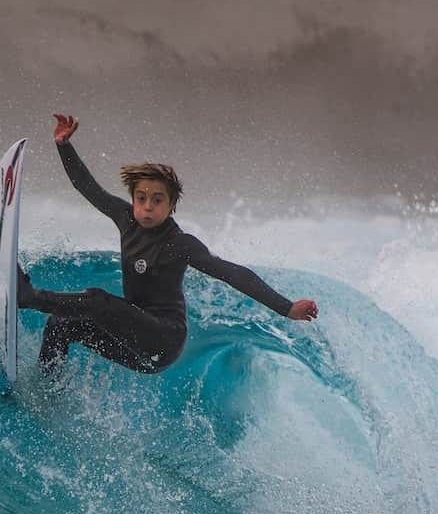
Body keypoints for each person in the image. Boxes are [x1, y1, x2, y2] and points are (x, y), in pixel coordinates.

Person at [19, 112, 318, 376]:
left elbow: (232, 272)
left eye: (158, 200)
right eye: (141, 199)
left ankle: (30, 297)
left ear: (172, 205)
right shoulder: (126, 220)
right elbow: (87, 187)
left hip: (163, 341)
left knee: (96, 300)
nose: (148, 207)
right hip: (134, 346)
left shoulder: (181, 244)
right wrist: (63, 146)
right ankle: (47, 390)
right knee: (61, 324)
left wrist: (286, 307)